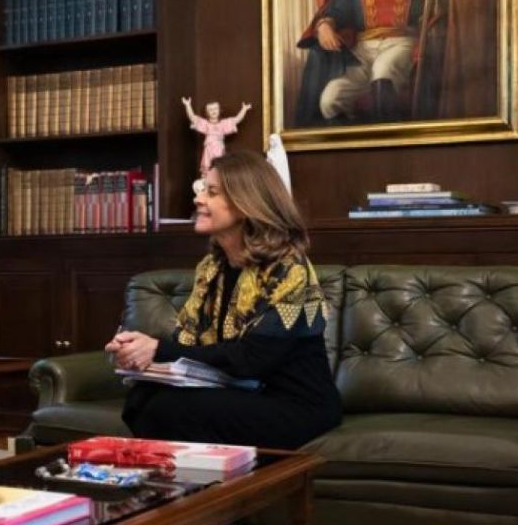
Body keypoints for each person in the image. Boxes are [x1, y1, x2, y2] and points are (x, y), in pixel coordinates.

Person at [105, 150, 341, 449]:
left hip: (296, 405)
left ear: (245, 204)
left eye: (211, 192)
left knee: (169, 410)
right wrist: (139, 349)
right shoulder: (212, 269)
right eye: (202, 189)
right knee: (143, 396)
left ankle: (192, 489)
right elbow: (188, 342)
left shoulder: (289, 270)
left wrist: (158, 350)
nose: (198, 199)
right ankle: (188, 486)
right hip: (243, 391)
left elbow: (250, 360)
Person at [294, 0, 492, 126]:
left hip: (401, 42)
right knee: (330, 99)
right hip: (361, 51)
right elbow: (336, 7)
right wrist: (325, 24)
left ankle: (389, 145)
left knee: (383, 72)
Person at [183, 97, 252, 175]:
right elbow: (192, 118)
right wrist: (188, 105)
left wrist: (244, 109)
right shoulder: (206, 124)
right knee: (207, 164)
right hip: (209, 149)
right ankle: (207, 177)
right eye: (210, 110)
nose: (213, 111)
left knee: (219, 164)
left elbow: (236, 119)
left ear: (219, 110)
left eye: (215, 109)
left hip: (219, 148)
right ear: (207, 112)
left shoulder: (223, 124)